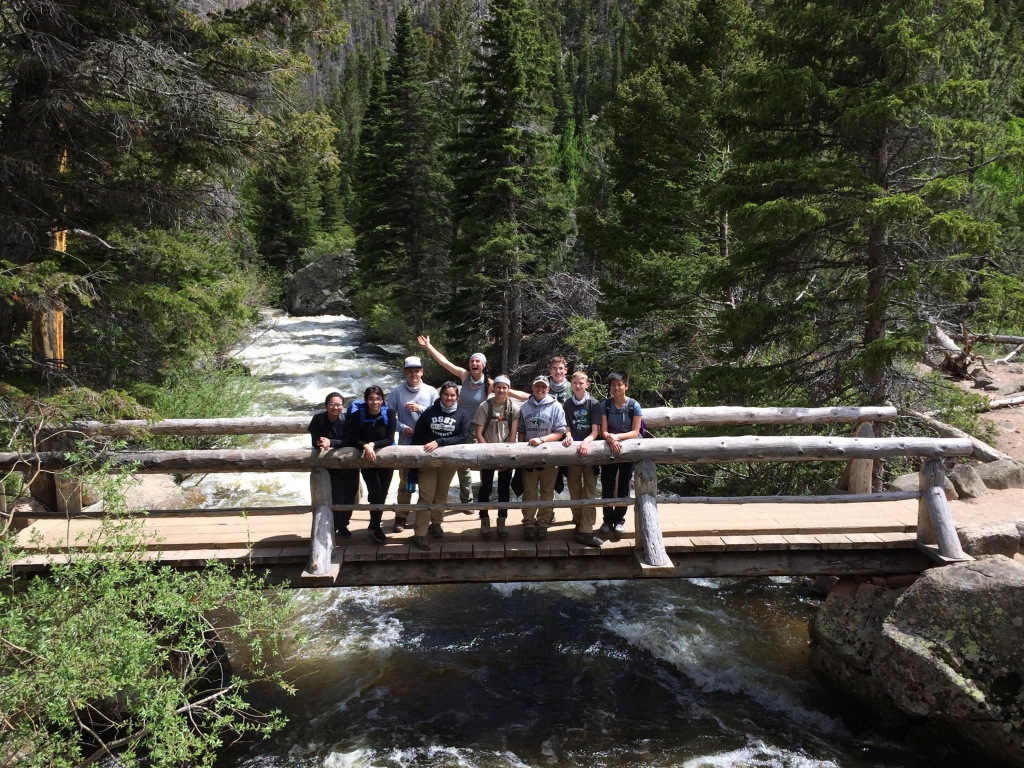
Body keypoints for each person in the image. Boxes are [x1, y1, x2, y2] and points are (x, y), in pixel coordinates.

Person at [416, 335, 491, 506]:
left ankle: (471, 499)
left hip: (476, 427)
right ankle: (464, 500)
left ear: (483, 365)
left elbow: (512, 392)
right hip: (455, 423)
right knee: (459, 463)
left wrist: (535, 396)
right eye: (472, 360)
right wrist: (429, 346)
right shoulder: (464, 376)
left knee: (470, 463)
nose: (474, 363)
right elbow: (444, 362)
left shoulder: (489, 384)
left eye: (477, 361)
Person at [411, 381, 471, 551]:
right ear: (440, 395)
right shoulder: (430, 412)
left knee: (441, 494)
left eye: (452, 395)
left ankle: (436, 524)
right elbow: (418, 434)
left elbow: (462, 437)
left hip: (448, 461)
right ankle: (420, 533)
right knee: (426, 496)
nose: (449, 398)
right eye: (446, 395)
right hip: (428, 460)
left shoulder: (462, 415)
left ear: (457, 396)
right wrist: (414, 459)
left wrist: (439, 441)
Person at [385, 356, 439, 533]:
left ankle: (429, 520)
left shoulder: (431, 392)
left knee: (428, 486)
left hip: (428, 445)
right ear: (405, 372)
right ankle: (401, 517)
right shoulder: (396, 392)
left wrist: (420, 409)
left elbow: (439, 414)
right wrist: (402, 428)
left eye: (417, 370)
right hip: (406, 445)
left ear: (422, 372)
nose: (413, 374)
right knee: (405, 483)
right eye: (410, 371)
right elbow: (389, 417)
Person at [342, 385, 398, 544]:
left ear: (382, 400)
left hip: (386, 461)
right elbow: (354, 439)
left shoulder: (390, 413)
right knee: (376, 494)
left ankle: (374, 525)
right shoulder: (358, 416)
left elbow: (389, 438)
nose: (375, 402)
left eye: (378, 399)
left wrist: (372, 444)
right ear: (366, 400)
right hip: (367, 460)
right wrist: (365, 446)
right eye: (371, 399)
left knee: (383, 494)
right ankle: (375, 527)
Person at [517, 375, 567, 540]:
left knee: (547, 491)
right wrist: (521, 448)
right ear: (532, 388)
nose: (540, 389)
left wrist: (542, 440)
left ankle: (544, 522)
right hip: (529, 456)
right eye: (537, 386)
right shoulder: (525, 406)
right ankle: (529, 523)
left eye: (543, 387)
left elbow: (560, 432)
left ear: (548, 389)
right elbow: (521, 430)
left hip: (550, 456)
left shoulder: (556, 407)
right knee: (529, 491)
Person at [472, 375, 520, 539]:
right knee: (485, 487)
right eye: (498, 387)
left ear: (508, 389)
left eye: (504, 387)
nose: (501, 390)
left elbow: (513, 434)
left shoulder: (514, 407)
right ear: (494, 388)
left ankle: (502, 522)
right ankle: (484, 521)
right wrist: (490, 455)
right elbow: (478, 433)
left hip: (506, 453)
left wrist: (507, 456)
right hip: (487, 453)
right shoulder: (484, 406)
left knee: (503, 489)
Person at [307, 391, 357, 538]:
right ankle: (332, 527)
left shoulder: (348, 418)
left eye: (338, 405)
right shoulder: (318, 419)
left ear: (343, 406)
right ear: (326, 406)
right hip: (329, 466)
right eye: (332, 404)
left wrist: (331, 442)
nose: (335, 407)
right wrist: (321, 442)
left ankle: (343, 525)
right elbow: (314, 441)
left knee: (349, 497)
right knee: (336, 496)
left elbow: (350, 440)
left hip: (349, 464)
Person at [562, 371, 603, 547]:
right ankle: (579, 522)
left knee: (590, 490)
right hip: (572, 452)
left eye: (581, 383)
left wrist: (585, 442)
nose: (578, 385)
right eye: (575, 382)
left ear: (587, 384)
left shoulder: (594, 404)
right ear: (571, 384)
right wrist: (568, 435)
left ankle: (586, 529)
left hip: (590, 451)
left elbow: (595, 431)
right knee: (574, 486)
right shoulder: (567, 404)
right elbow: (567, 427)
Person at [600, 371, 643, 535]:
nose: (616, 388)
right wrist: (611, 440)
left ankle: (619, 520)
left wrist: (617, 437)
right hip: (608, 449)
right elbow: (604, 430)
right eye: (613, 385)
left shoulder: (633, 405)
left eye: (619, 384)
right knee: (607, 485)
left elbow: (635, 432)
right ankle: (606, 520)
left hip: (627, 449)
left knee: (624, 486)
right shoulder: (606, 405)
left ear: (626, 386)